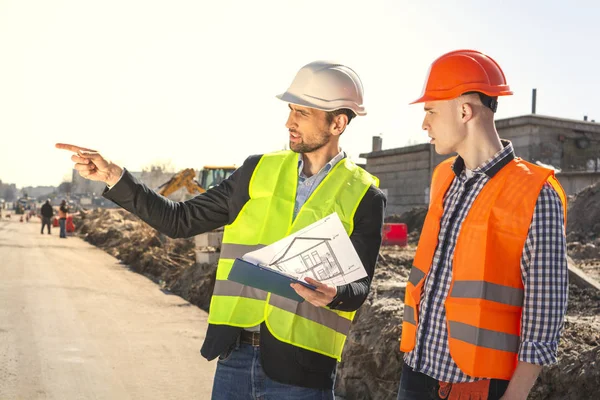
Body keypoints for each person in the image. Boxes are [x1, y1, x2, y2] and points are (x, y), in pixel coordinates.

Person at [57, 60, 386, 399]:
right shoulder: (257, 170)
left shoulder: (364, 193)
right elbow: (179, 220)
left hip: (301, 374)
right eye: (290, 110)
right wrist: (114, 176)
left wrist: (335, 295)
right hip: (235, 357)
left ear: (338, 122)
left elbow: (359, 287)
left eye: (301, 113)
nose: (288, 122)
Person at [397, 50, 568, 400]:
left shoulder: (537, 193)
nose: (424, 124)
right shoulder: (444, 177)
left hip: (476, 389)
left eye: (430, 111)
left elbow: (544, 317)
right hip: (414, 376)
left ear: (464, 111)